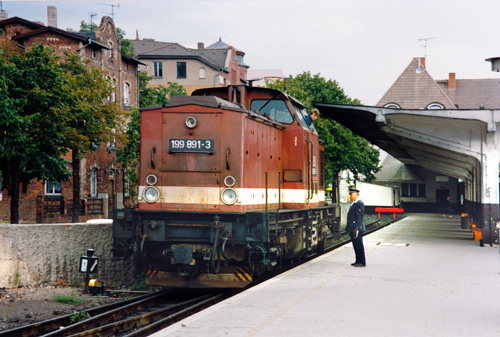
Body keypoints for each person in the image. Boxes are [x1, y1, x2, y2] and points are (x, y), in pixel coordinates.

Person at [345, 188, 366, 267]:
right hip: (353, 227)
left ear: (356, 194)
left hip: (356, 228)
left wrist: (357, 227)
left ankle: (361, 262)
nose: (350, 196)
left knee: (359, 245)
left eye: (351, 194)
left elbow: (360, 217)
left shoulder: (359, 203)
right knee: (355, 245)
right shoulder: (354, 203)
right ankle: (357, 260)